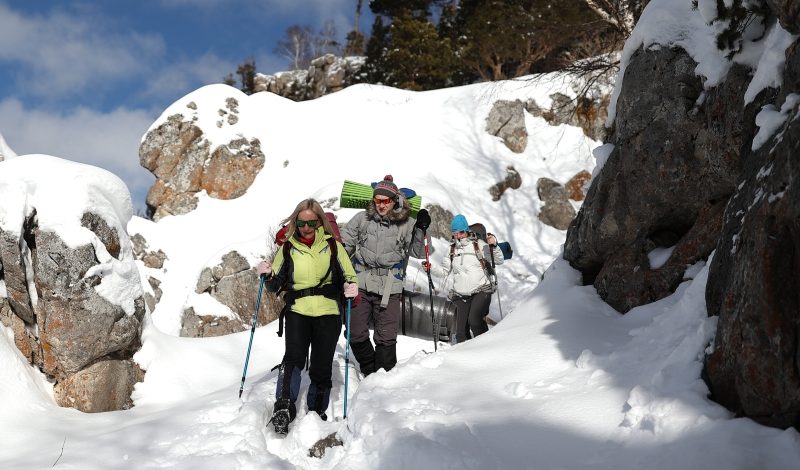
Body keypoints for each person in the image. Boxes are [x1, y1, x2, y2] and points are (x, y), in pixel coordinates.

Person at [256, 198, 359, 434]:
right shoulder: (288, 248)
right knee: (293, 359)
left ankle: (316, 412)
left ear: (320, 222)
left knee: (322, 366)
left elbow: (349, 277)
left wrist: (351, 288)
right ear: (295, 222)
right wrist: (268, 274)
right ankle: (283, 408)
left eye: (311, 223)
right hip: (298, 311)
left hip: (328, 312)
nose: (306, 228)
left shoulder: (333, 247)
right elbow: (275, 284)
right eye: (301, 223)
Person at [341, 175, 430, 375]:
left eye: (385, 201)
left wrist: (422, 230)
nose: (381, 205)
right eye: (377, 200)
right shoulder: (362, 218)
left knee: (386, 335)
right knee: (355, 331)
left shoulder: (407, 223)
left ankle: (384, 378)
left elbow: (419, 251)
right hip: (361, 280)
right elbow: (345, 244)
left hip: (390, 285)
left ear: (394, 200)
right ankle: (369, 370)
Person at [442, 214, 503, 343]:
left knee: (474, 320)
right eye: (455, 233)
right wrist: (429, 268)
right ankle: (465, 357)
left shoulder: (478, 245)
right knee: (460, 332)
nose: (458, 236)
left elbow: (498, 260)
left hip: (481, 290)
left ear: (467, 231)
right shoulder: (451, 249)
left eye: (461, 232)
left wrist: (494, 246)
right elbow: (444, 271)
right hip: (460, 293)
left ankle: (485, 347)